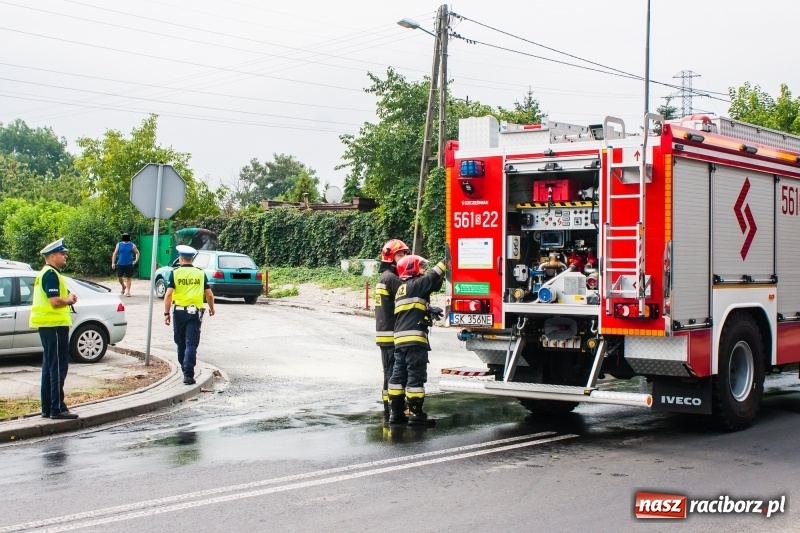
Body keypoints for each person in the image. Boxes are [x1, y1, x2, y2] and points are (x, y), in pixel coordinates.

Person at [388, 254, 446, 426]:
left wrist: (427, 309)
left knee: (398, 376)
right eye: (420, 267)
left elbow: (415, 305)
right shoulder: (417, 284)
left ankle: (396, 414)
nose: (423, 270)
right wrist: (447, 261)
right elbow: (432, 277)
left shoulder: (403, 289)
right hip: (414, 340)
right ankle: (415, 415)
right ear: (411, 269)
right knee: (415, 377)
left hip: (400, 341)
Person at [30, 238, 79, 420]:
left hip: (49, 326)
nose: (65, 256)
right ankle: (57, 409)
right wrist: (69, 299)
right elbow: (55, 301)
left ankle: (48, 408)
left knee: (49, 367)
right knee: (58, 366)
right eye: (62, 254)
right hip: (54, 326)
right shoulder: (51, 274)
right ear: (52, 256)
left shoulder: (46, 273)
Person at [164, 245, 215, 384]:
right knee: (191, 344)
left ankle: (184, 369)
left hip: (179, 312)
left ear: (180, 258)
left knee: (181, 343)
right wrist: (212, 308)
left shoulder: (175, 273)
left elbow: (168, 295)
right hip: (195, 313)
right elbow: (209, 294)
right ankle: (188, 374)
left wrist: (166, 313)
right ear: (192, 259)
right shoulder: (200, 273)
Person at [374, 239, 410, 420]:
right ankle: (393, 408)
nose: (404, 257)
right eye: (400, 254)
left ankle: (389, 408)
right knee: (394, 373)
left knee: (389, 372)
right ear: (390, 257)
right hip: (391, 334)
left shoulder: (385, 277)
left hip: (385, 333)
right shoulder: (393, 279)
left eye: (405, 253)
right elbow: (407, 299)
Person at [111, 233, 140, 297]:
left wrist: (136, 260)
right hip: (120, 263)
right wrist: (113, 263)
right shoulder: (119, 244)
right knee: (119, 277)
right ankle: (123, 286)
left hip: (129, 264)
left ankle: (128, 292)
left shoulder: (132, 245)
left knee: (128, 278)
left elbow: (137, 252)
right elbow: (115, 254)